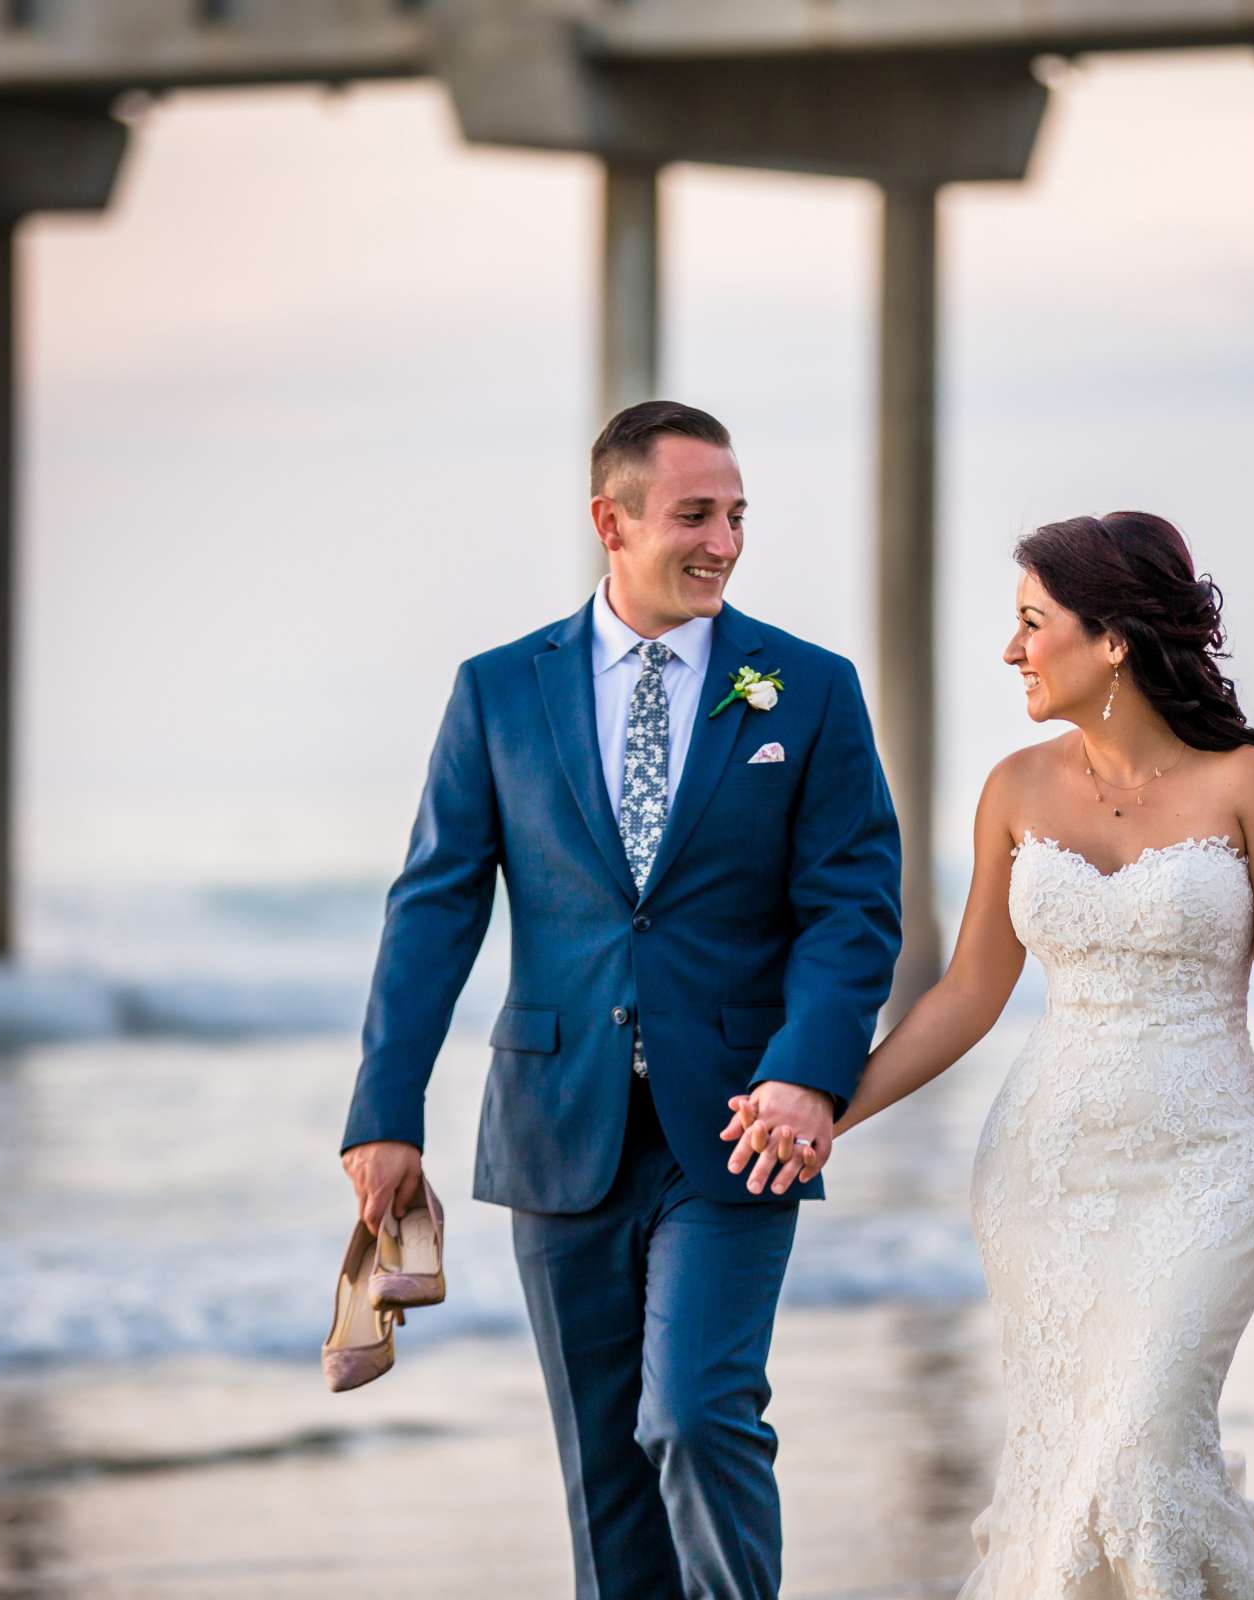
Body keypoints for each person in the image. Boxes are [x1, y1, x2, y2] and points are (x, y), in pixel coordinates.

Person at [727, 510, 1254, 1598]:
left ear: (1113, 638)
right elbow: (970, 993)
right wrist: (825, 1109)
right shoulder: (1014, 788)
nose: (1011, 649)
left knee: (1137, 1454)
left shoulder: (1245, 787)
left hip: (1212, 1168)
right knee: (1074, 1468)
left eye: (1034, 622)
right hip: (1045, 1174)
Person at [341, 400, 904, 1599]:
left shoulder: (806, 689)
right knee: (604, 1474)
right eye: (695, 514)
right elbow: (435, 905)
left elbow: (853, 907)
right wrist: (385, 1110)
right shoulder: (499, 692)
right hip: (558, 1121)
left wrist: (811, 1070)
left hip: (745, 1125)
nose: (725, 541)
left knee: (696, 1415)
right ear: (612, 520)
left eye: (738, 515)